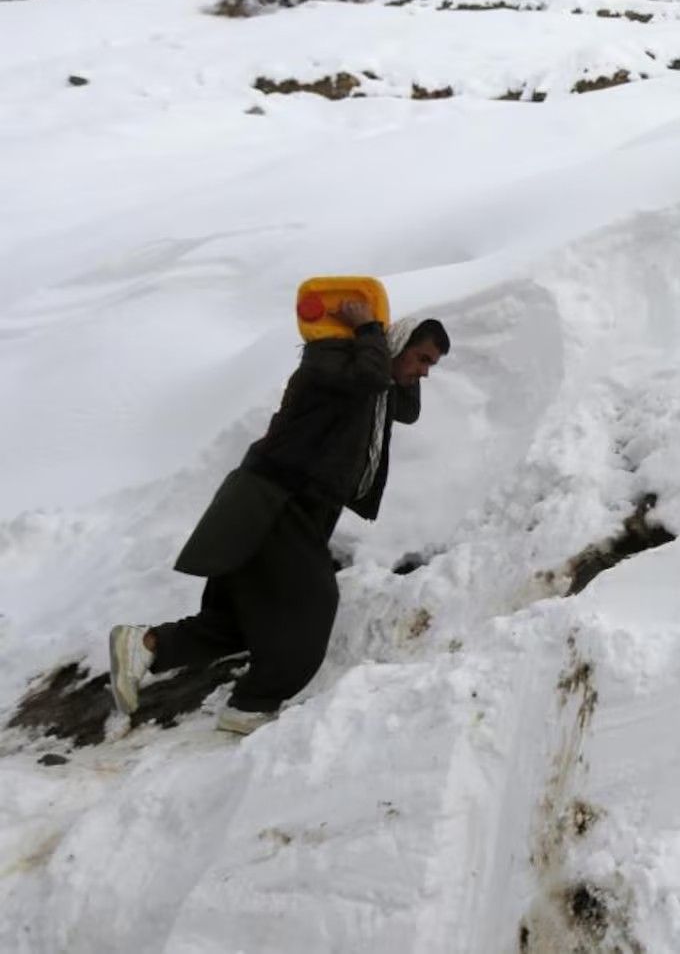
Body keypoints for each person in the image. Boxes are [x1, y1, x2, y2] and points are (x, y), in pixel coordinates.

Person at [107, 304, 449, 735]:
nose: (425, 372)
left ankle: (146, 646)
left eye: (431, 365)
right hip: (277, 502)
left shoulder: (377, 391)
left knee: (239, 620)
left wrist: (393, 355)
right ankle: (251, 706)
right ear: (390, 346)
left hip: (296, 505)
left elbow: (405, 407)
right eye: (422, 359)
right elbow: (366, 376)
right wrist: (370, 330)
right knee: (313, 605)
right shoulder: (332, 361)